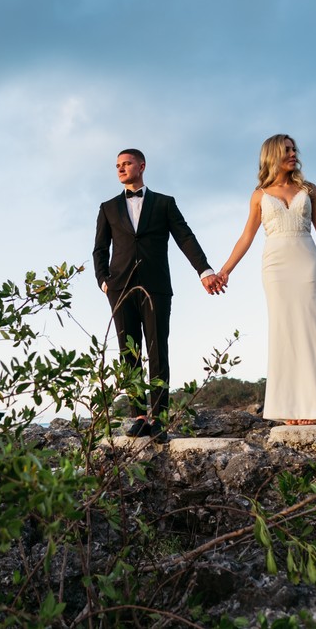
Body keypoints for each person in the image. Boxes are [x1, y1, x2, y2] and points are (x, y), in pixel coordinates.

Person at [217, 135, 316, 448]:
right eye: (287, 150)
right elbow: (246, 237)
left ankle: (315, 405)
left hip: (306, 262)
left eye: (294, 149)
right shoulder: (259, 195)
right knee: (284, 331)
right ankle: (290, 408)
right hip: (275, 267)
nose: (294, 154)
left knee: (313, 330)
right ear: (273, 155)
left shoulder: (309, 190)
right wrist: (225, 271)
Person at [93, 148, 225, 442]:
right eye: (117, 165)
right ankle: (139, 416)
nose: (121, 168)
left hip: (156, 287)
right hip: (120, 288)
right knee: (129, 352)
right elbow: (100, 249)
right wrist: (103, 281)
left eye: (127, 163)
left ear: (141, 166)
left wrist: (204, 270)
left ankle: (159, 418)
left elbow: (185, 237)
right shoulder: (108, 207)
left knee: (157, 350)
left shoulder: (165, 203)